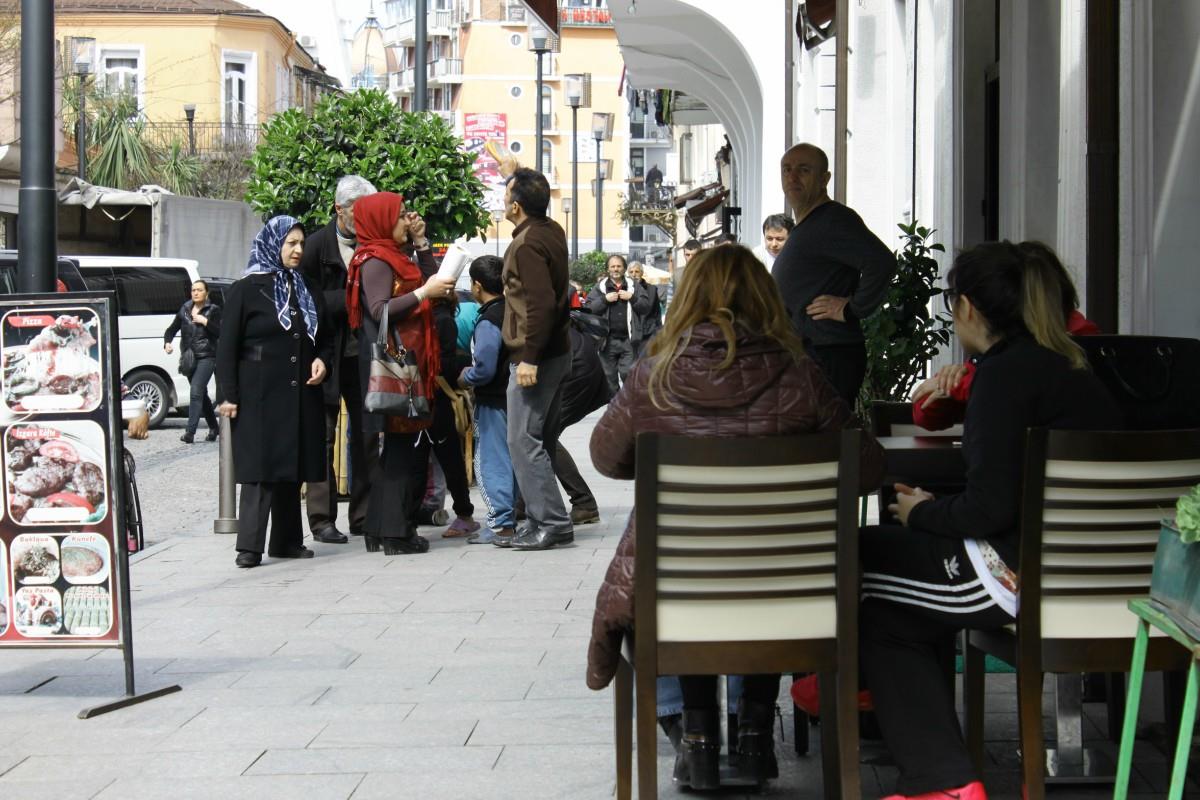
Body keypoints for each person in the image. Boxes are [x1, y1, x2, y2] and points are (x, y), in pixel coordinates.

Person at [586, 244, 884, 789]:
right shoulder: (803, 375)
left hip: (681, 597)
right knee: (764, 563)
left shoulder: (654, 375)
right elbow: (867, 470)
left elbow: (606, 458)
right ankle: (752, 734)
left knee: (695, 575)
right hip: (790, 597)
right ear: (766, 300)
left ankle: (697, 740)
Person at [839, 241, 1120, 800]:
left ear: (966, 307)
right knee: (888, 602)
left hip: (1014, 576)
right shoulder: (1072, 366)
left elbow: (987, 509)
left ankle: (929, 768)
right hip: (1090, 573)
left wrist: (921, 511)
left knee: (855, 564)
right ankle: (934, 768)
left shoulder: (1002, 375)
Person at [216, 216, 331, 569]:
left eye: (301, 244)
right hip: (259, 395)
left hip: (299, 393)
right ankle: (249, 545)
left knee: (291, 468)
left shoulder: (306, 287)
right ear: (273, 244)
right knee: (261, 472)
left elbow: (323, 337)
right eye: (290, 244)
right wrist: (228, 395)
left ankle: (286, 541)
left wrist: (322, 360)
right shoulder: (247, 288)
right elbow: (227, 347)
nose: (298, 251)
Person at [346, 191, 456, 556]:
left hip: (413, 361)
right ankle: (396, 532)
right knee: (404, 451)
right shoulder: (376, 259)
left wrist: (423, 243)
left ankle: (381, 528)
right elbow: (380, 310)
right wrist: (425, 291)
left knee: (402, 450)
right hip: (399, 366)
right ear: (380, 221)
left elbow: (431, 282)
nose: (405, 221)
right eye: (399, 216)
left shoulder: (394, 254)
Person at [910, 241, 1102, 431]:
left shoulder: (1078, 346)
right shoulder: (1001, 358)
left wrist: (962, 384)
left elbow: (1021, 381)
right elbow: (924, 411)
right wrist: (951, 386)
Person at [772, 143, 896, 405]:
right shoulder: (807, 224)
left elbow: (881, 262)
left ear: (824, 179)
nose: (792, 177)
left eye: (803, 170)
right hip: (811, 352)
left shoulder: (833, 220)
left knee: (825, 441)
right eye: (787, 170)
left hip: (829, 353)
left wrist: (851, 309)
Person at [297, 175, 379, 545]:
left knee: (366, 435)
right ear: (339, 210)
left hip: (362, 355)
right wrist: (345, 300)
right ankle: (321, 518)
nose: (363, 221)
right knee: (322, 436)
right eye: (357, 213)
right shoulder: (315, 247)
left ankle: (363, 514)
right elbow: (304, 303)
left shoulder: (373, 245)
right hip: (325, 355)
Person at [497, 167, 575, 551]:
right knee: (538, 438)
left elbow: (541, 304)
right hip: (556, 351)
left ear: (515, 205)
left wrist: (528, 358)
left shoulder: (526, 244)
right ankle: (536, 519)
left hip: (537, 356)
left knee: (522, 439)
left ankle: (552, 522)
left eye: (506, 193)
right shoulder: (551, 230)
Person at [458, 255, 516, 545]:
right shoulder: (512, 310)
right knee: (513, 458)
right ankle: (513, 518)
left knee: (490, 460)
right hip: (515, 397)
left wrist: (465, 376)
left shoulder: (488, 320)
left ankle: (500, 524)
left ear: (476, 285)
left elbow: (484, 368)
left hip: (493, 399)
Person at [428, 293, 480, 538]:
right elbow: (447, 362)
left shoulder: (435, 319)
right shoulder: (445, 319)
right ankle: (462, 513)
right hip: (436, 398)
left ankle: (462, 513)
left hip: (428, 398)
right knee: (449, 459)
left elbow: (441, 362)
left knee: (439, 459)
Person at [164, 280, 221, 444]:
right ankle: (214, 427)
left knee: (196, 391)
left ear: (206, 293)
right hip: (189, 359)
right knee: (201, 395)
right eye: (193, 290)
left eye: (199, 290)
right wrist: (167, 342)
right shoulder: (185, 309)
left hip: (207, 356)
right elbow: (171, 329)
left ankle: (190, 432)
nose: (196, 293)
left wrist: (206, 322)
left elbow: (222, 332)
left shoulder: (213, 310)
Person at [588, 254, 651, 394]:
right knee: (609, 378)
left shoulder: (633, 286)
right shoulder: (601, 287)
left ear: (624, 269)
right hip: (606, 341)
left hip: (629, 340)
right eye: (613, 266)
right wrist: (604, 300)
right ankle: (615, 407)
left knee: (628, 375)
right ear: (608, 269)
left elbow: (646, 306)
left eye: (619, 266)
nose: (616, 269)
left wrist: (632, 298)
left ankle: (627, 405)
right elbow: (589, 308)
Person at [626, 261, 663, 355]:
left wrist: (659, 331)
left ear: (642, 273)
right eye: (631, 272)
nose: (634, 274)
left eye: (636, 271)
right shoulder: (623, 289)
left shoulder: (652, 289)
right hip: (629, 334)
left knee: (645, 363)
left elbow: (657, 312)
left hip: (647, 333)